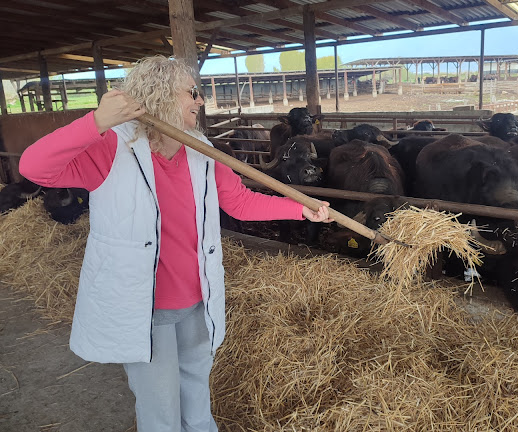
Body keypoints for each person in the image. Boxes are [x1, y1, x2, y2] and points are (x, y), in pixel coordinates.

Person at [19, 55, 332, 432]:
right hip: (144, 304)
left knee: (197, 396)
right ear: (161, 94)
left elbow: (239, 202)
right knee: (161, 408)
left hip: (198, 296)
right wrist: (97, 121)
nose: (200, 100)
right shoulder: (113, 146)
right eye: (192, 92)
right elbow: (34, 167)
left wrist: (300, 209)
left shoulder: (202, 149)